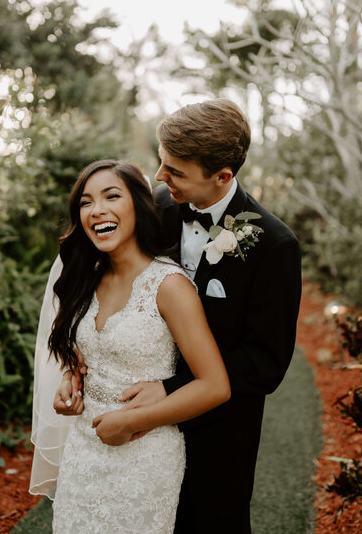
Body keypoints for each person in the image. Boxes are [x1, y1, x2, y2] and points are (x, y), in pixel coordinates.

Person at [52, 99, 302, 533]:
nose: (160, 177)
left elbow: (265, 364)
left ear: (222, 176)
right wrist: (81, 367)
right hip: (124, 428)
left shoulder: (273, 246)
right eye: (161, 164)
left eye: (175, 171)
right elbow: (113, 291)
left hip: (218, 433)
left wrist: (169, 390)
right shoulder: (158, 205)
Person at [29, 159, 231, 534]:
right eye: (86, 202)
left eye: (111, 196)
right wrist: (69, 381)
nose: (97, 210)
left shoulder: (169, 285)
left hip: (145, 456)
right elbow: (84, 354)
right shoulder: (84, 280)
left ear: (138, 205)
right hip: (82, 455)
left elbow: (216, 385)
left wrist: (133, 420)